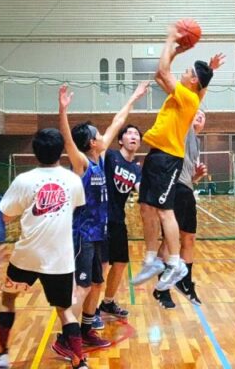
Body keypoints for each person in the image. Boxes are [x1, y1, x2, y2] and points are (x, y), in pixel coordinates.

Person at [0, 128, 88, 369]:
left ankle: (1, 355)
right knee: (65, 311)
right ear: (61, 151)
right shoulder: (73, 180)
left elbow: (5, 217)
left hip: (27, 258)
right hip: (60, 259)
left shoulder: (23, 180)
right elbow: (77, 206)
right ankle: (80, 361)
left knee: (7, 299)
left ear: (34, 152)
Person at [53, 81, 148, 353]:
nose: (104, 135)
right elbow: (68, 140)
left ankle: (84, 330)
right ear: (92, 142)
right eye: (98, 134)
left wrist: (135, 97)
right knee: (82, 288)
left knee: (96, 283)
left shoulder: (101, 160)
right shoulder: (82, 162)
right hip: (84, 234)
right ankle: (65, 339)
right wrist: (63, 111)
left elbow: (118, 121)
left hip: (100, 234)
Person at [132, 22, 224, 292]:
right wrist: (176, 51)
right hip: (156, 153)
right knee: (146, 207)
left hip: (168, 158)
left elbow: (162, 70)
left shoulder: (188, 97)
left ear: (193, 80)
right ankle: (151, 258)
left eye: (188, 72)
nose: (183, 73)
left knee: (163, 210)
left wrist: (171, 40)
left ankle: (175, 262)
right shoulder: (184, 93)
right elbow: (160, 73)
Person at [153, 110, 208, 309]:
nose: (200, 115)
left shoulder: (197, 143)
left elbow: (187, 174)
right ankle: (162, 288)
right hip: (173, 188)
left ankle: (185, 282)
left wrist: (196, 177)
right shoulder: (185, 131)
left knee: (189, 238)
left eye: (204, 115)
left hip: (186, 189)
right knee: (170, 240)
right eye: (196, 113)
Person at [98, 124, 143, 321]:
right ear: (120, 140)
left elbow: (141, 190)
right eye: (129, 133)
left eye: (137, 135)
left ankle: (107, 302)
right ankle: (89, 312)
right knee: (102, 264)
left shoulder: (136, 168)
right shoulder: (111, 157)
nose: (134, 137)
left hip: (118, 220)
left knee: (121, 263)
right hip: (101, 218)